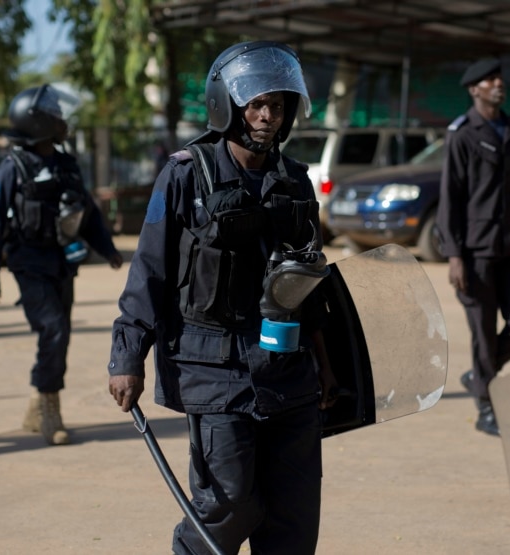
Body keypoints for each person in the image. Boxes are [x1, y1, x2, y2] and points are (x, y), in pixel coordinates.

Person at [108, 41, 339, 554]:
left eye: (277, 106)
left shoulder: (296, 182)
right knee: (231, 504)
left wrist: (326, 363)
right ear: (228, 105)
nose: (267, 116)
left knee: (293, 517)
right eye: (256, 104)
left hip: (288, 368)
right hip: (215, 370)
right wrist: (128, 357)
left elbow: (312, 283)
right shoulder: (187, 173)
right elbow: (150, 271)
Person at [0, 84, 123, 446]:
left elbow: (86, 212)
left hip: (61, 262)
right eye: (56, 114)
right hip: (28, 262)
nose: (64, 120)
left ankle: (35, 403)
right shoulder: (12, 167)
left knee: (60, 336)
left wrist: (107, 249)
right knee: (54, 330)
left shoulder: (66, 164)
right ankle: (50, 412)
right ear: (39, 122)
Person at [437, 58, 510, 437]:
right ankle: (486, 406)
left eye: (499, 78)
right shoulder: (463, 134)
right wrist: (454, 255)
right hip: (474, 252)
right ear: (474, 90)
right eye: (489, 80)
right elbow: (450, 197)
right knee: (483, 332)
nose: (498, 84)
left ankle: (479, 376)